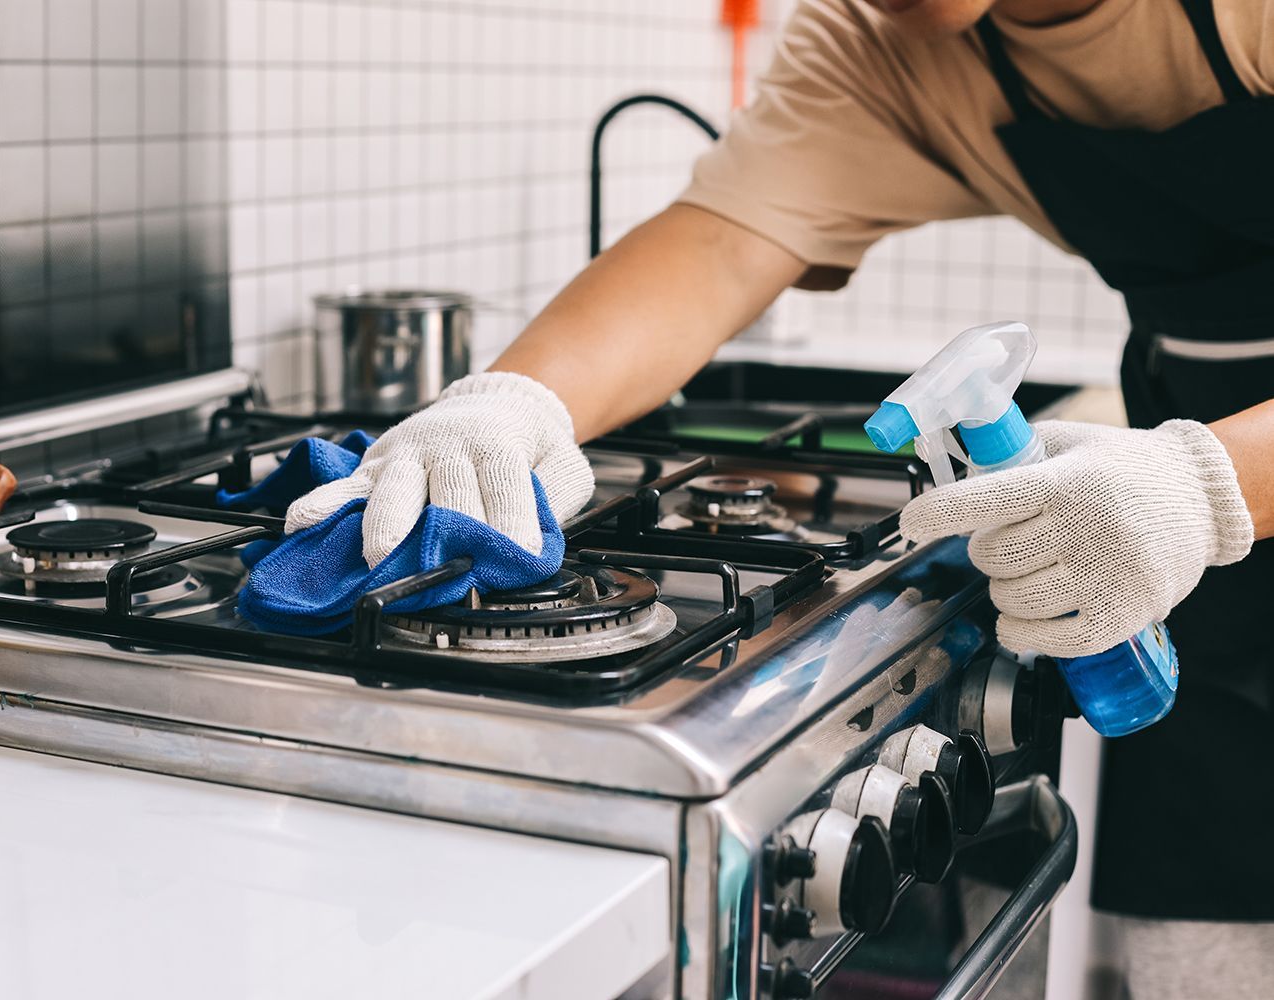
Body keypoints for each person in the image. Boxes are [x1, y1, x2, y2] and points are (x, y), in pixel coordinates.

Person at [285, 0, 1274, 994]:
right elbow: (722, 242)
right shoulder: (878, 40)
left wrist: (1205, 482)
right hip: (1190, 488)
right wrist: (512, 400)